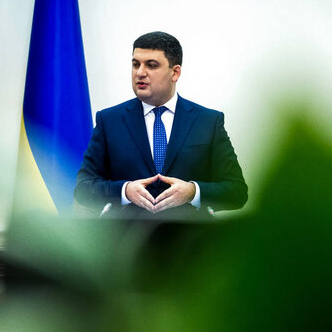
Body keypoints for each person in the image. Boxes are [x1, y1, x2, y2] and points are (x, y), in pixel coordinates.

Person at [74, 31, 247, 218]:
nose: (140, 72)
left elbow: (237, 192)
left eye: (151, 65)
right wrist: (125, 191)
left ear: (175, 72)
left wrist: (192, 192)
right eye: (135, 64)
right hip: (125, 240)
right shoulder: (109, 120)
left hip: (190, 240)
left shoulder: (208, 121)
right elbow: (83, 189)